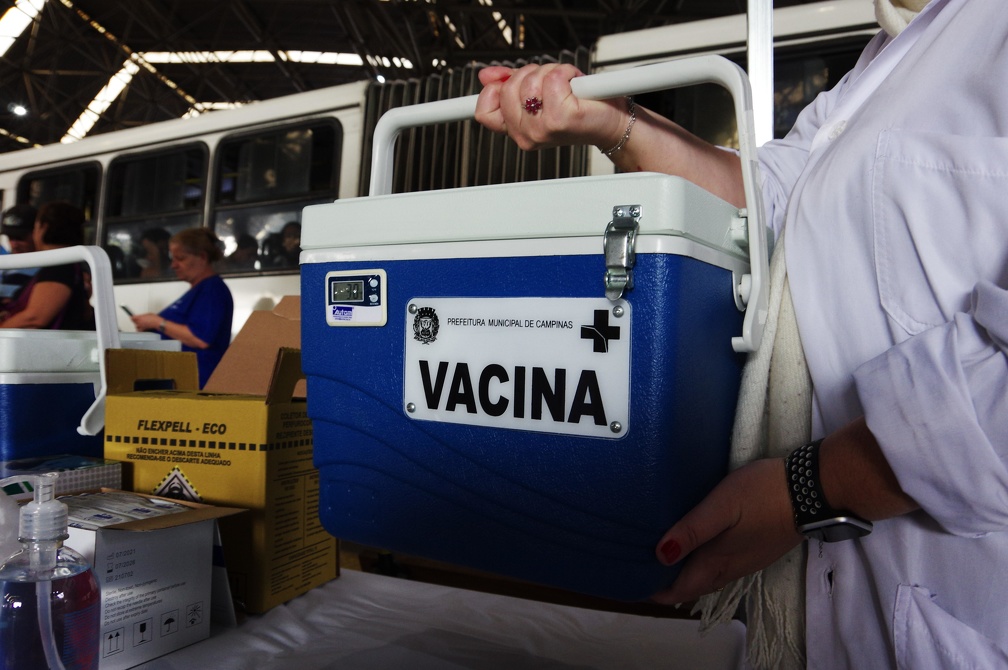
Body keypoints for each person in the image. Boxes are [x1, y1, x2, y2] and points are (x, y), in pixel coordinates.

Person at [475, 0, 1007, 668]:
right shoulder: (888, 59)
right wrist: (613, 123)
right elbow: (769, 202)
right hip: (851, 604)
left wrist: (804, 490)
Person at [130, 227, 233, 388]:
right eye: (173, 259)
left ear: (202, 257)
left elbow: (200, 338)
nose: (174, 265)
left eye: (180, 258)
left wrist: (158, 323)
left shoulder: (212, 290)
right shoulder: (197, 291)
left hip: (196, 382)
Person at [0, 201, 94, 330]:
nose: (14, 243)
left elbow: (34, 318)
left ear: (43, 227)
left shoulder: (60, 266)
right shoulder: (69, 264)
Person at [0, 204, 39, 304]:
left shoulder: (50, 267)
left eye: (20, 238)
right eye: (10, 237)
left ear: (37, 233)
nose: (14, 244)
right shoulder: (4, 262)